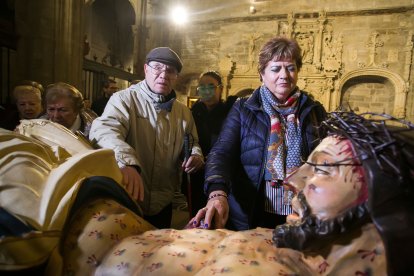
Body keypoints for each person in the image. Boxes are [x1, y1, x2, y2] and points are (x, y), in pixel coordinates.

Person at [190, 36, 327, 231]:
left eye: (290, 68)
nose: (284, 75)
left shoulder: (314, 110)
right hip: (252, 213)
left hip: (301, 213)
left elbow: (327, 159)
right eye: (275, 68)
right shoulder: (243, 108)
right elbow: (222, 152)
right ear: (262, 73)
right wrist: (217, 192)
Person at [89, 47, 204, 229]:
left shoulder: (182, 112)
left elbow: (192, 141)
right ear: (146, 69)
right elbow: (105, 131)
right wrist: (126, 162)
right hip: (129, 196)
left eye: (170, 71)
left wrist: (195, 155)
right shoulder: (124, 100)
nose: (163, 75)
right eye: (157, 67)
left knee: (155, 250)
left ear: (176, 77)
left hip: (164, 202)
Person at [184, 71, 236, 216]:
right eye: (202, 87)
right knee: (197, 214)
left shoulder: (231, 113)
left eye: (211, 86)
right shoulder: (192, 114)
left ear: (220, 88)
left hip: (223, 173)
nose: (206, 90)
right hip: (197, 173)